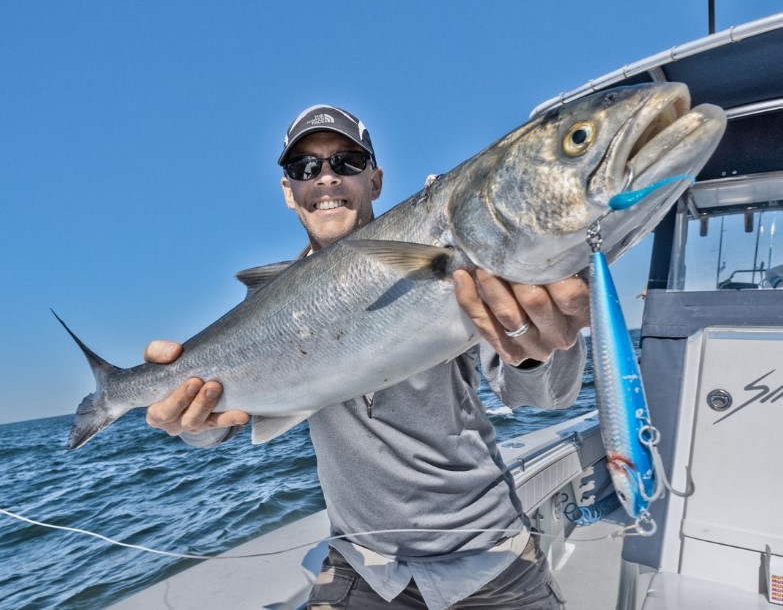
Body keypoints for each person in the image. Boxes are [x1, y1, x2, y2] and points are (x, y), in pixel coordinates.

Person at [144, 105, 590, 609]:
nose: (326, 178)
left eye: (347, 162)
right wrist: (192, 421)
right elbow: (225, 418)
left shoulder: (443, 247)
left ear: (375, 180)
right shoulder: (271, 309)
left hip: (486, 554)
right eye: (305, 167)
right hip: (364, 566)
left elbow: (541, 396)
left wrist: (538, 348)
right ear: (289, 191)